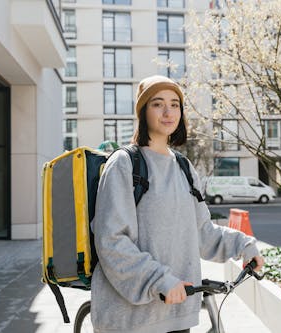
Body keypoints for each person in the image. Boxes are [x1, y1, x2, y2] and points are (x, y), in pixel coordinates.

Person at [91, 75, 265, 333]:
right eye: (157, 103)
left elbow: (202, 233)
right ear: (143, 111)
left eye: (175, 104)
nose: (168, 111)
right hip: (130, 320)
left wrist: (244, 245)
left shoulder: (184, 167)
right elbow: (111, 240)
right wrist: (158, 279)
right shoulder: (125, 164)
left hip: (177, 312)